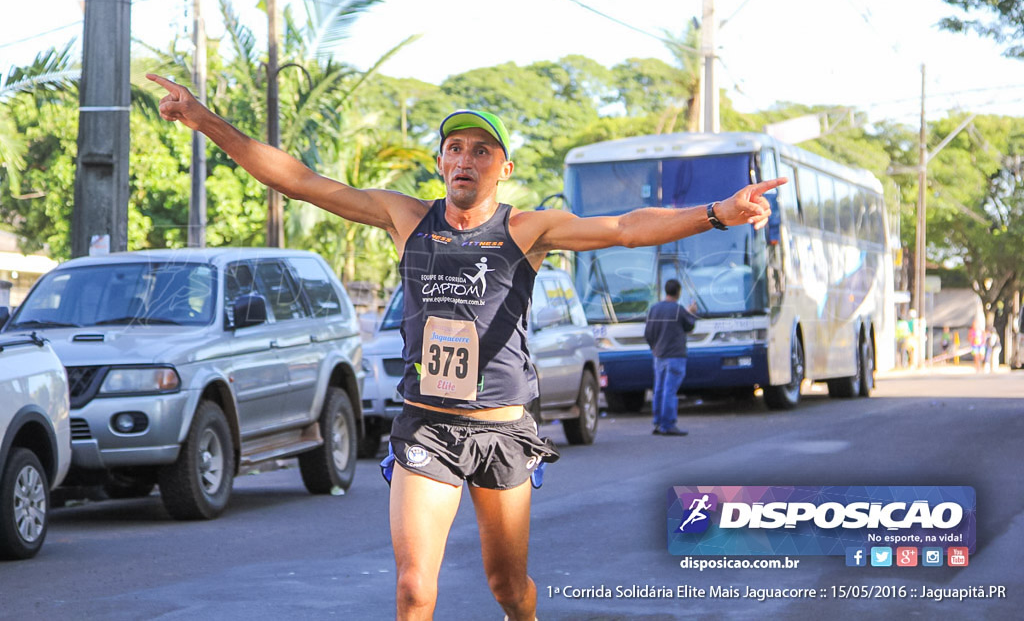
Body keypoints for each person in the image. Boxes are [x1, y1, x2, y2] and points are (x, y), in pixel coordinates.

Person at [147, 73, 784, 621]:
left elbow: (623, 228)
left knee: (508, 589)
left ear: (502, 169)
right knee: (412, 589)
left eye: (482, 151)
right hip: (427, 426)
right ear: (440, 163)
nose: (465, 159)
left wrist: (718, 213)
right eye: (455, 148)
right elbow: (300, 180)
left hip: (502, 430)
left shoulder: (529, 229)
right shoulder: (405, 219)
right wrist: (203, 119)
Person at [643, 279, 697, 436]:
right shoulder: (679, 310)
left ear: (666, 291)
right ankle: (668, 424)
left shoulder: (654, 309)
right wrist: (691, 312)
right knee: (670, 390)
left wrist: (654, 348)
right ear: (678, 292)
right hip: (675, 356)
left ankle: (658, 422)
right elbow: (689, 325)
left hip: (658, 355)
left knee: (659, 389)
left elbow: (648, 333)